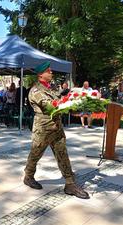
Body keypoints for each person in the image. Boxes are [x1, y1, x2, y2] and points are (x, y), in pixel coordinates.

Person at [23, 61, 89, 199]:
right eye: (49, 71)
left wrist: (74, 98)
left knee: (62, 154)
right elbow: (51, 107)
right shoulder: (35, 91)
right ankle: (28, 176)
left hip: (57, 127)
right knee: (35, 155)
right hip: (43, 128)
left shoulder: (51, 88)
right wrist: (70, 101)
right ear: (41, 75)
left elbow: (59, 99)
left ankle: (70, 184)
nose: (51, 72)